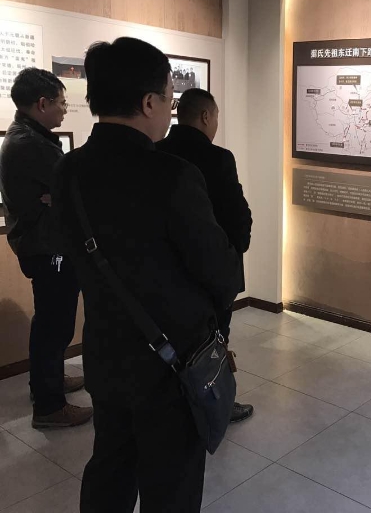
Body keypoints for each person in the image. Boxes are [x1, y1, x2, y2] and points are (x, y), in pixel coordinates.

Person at [52, 37, 244, 513]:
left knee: (110, 467)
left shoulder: (68, 170)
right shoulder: (173, 175)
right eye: (169, 98)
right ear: (149, 102)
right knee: (172, 484)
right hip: (170, 364)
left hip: (105, 351)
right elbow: (220, 271)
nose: (171, 110)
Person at [0, 68, 92, 429]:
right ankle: (50, 406)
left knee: (51, 322)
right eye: (61, 103)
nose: (64, 109)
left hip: (42, 243)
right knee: (54, 325)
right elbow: (77, 187)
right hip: (48, 247)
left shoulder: (26, 136)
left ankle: (47, 383)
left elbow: (64, 190)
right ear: (42, 104)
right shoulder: (30, 144)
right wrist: (62, 196)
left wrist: (59, 196)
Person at [157, 87, 253, 424]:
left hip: (168, 273)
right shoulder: (218, 158)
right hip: (213, 270)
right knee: (214, 341)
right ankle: (216, 405)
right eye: (216, 117)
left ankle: (176, 408)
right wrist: (235, 252)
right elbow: (237, 216)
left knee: (173, 342)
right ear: (205, 116)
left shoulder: (156, 152)